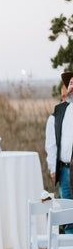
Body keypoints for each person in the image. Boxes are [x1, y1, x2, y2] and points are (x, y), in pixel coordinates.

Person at [45, 72, 73, 233]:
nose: (72, 86)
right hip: (64, 171)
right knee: (68, 217)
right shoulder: (59, 111)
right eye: (70, 83)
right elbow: (52, 142)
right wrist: (53, 168)